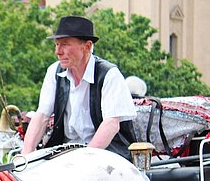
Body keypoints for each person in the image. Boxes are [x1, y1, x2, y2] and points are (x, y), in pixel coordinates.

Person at [21, 16, 137, 159]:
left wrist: (85, 159)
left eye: (64, 44)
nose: (58, 51)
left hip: (106, 153)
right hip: (66, 153)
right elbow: (42, 116)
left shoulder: (109, 74)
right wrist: (25, 155)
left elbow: (111, 124)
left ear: (87, 46)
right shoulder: (54, 72)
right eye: (56, 44)